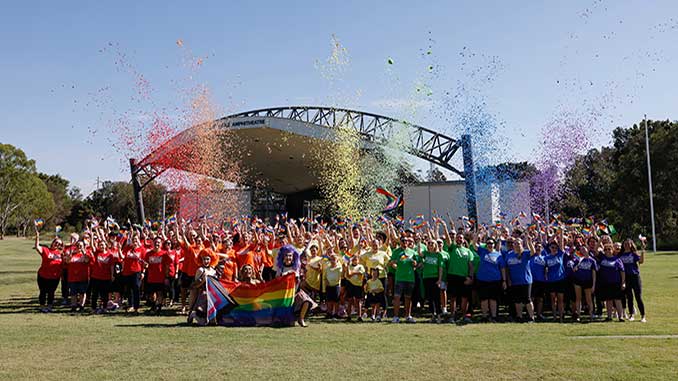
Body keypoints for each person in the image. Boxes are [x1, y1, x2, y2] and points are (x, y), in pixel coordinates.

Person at [276, 244, 317, 327]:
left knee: (306, 301)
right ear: (283, 257)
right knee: (289, 323)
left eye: (290, 256)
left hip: (296, 291)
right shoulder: (280, 268)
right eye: (286, 255)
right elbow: (276, 281)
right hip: (284, 294)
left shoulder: (296, 267)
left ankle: (301, 319)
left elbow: (299, 280)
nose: (288, 258)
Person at [443, 232, 474, 324]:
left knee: (465, 298)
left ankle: (464, 316)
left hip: (464, 277)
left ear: (463, 240)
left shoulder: (468, 251)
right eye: (458, 238)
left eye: (461, 238)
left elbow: (471, 266)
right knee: (453, 298)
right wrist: (445, 226)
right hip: (453, 276)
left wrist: (470, 277)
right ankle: (452, 316)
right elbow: (448, 239)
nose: (459, 239)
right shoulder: (452, 248)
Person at [505, 234, 537, 322]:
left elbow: (533, 252)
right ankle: (519, 317)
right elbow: (507, 268)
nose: (516, 245)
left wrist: (530, 242)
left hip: (526, 280)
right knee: (517, 300)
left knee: (527, 299)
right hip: (515, 281)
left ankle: (531, 317)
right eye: (515, 243)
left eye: (518, 243)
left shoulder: (525, 253)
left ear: (522, 244)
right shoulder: (509, 254)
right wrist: (508, 280)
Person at [474, 238, 507, 322]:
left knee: (493, 299)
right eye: (488, 243)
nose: (490, 244)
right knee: (484, 299)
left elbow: (502, 268)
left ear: (494, 244)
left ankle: (494, 316)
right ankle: (484, 316)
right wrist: (476, 234)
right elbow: (474, 244)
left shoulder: (498, 255)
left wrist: (504, 280)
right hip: (482, 280)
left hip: (495, 280)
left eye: (492, 243)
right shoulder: (482, 251)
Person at [389, 236, 418, 323]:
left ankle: (408, 316)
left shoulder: (412, 252)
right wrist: (395, 265)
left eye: (406, 241)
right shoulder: (396, 252)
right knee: (397, 297)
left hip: (410, 278)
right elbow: (391, 262)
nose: (405, 242)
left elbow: (417, 263)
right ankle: (396, 316)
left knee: (408, 297)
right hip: (399, 278)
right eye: (403, 241)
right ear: (400, 242)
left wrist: (415, 263)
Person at [34, 230, 63, 312]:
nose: (57, 244)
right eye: (56, 242)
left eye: (59, 244)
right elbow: (37, 247)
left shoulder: (61, 253)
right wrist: (37, 236)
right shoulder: (46, 250)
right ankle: (42, 306)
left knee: (51, 292)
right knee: (43, 292)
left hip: (55, 277)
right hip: (43, 275)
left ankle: (49, 306)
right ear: (53, 242)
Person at [619, 238, 646, 322]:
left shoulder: (633, 254)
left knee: (638, 297)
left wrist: (642, 251)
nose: (626, 245)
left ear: (631, 245)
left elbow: (641, 261)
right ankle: (631, 315)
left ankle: (643, 316)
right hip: (625, 278)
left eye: (628, 244)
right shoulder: (620, 255)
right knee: (629, 297)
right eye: (625, 243)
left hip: (635, 277)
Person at [597, 244, 626, 322]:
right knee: (608, 300)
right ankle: (609, 317)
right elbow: (596, 249)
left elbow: (622, 272)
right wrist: (599, 240)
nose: (607, 251)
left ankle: (621, 317)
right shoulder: (602, 258)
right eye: (605, 249)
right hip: (606, 283)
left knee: (617, 300)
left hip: (615, 282)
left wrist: (623, 283)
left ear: (612, 250)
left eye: (609, 249)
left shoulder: (617, 259)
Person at [121, 235, 147, 314]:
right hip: (127, 272)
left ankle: (136, 307)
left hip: (137, 271)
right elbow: (122, 257)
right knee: (129, 290)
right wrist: (119, 249)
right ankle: (130, 305)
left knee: (136, 288)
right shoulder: (127, 248)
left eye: (136, 240)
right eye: (133, 240)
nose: (134, 241)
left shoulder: (141, 250)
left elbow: (144, 262)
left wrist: (143, 272)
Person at [90, 239, 117, 314]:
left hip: (106, 277)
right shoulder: (96, 253)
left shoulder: (110, 255)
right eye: (100, 245)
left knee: (104, 294)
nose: (101, 246)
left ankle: (104, 307)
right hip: (96, 276)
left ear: (106, 245)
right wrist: (92, 236)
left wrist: (112, 275)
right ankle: (93, 308)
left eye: (103, 244)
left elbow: (112, 266)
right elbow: (92, 246)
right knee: (95, 294)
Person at [418, 238, 443, 322]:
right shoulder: (426, 253)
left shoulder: (438, 255)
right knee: (430, 298)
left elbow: (440, 268)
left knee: (436, 298)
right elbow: (419, 253)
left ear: (435, 245)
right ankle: (433, 315)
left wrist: (439, 279)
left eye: (432, 243)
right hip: (426, 278)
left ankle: (439, 315)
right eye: (429, 243)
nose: (430, 245)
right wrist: (418, 243)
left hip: (435, 278)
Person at [544, 232, 566, 322]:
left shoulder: (560, 254)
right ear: (550, 248)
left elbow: (561, 243)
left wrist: (560, 232)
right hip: (551, 280)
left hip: (560, 279)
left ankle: (561, 317)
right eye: (552, 247)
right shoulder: (546, 257)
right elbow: (545, 268)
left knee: (560, 299)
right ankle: (554, 316)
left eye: (555, 248)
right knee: (553, 300)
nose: (554, 249)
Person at [65, 240, 93, 312]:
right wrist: (70, 255)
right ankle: (73, 306)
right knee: (73, 293)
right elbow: (67, 262)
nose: (79, 247)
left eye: (81, 246)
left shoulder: (87, 254)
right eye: (77, 245)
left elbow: (87, 260)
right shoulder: (72, 254)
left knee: (82, 293)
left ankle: (81, 306)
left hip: (83, 277)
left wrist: (83, 252)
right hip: (72, 277)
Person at [572, 246, 598, 321]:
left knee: (588, 299)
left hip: (588, 281)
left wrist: (593, 284)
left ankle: (591, 315)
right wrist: (576, 266)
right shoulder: (578, 260)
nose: (583, 250)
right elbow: (574, 269)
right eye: (581, 250)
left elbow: (594, 273)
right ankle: (578, 315)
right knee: (578, 298)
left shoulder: (592, 261)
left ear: (587, 249)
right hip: (578, 281)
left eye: (584, 249)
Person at [145, 237, 168, 314]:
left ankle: (159, 307)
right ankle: (153, 306)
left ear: (161, 244)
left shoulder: (164, 254)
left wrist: (167, 277)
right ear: (153, 243)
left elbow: (167, 266)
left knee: (160, 293)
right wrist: (145, 266)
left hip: (161, 277)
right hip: (151, 277)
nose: (157, 244)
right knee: (152, 294)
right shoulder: (148, 254)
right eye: (155, 242)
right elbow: (146, 264)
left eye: (158, 242)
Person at [345, 254, 365, 322]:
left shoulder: (360, 266)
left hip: (358, 285)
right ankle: (349, 316)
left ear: (358, 260)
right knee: (350, 301)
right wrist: (347, 266)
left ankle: (359, 316)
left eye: (356, 259)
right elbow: (348, 275)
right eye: (353, 259)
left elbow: (361, 273)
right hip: (350, 285)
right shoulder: (349, 266)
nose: (354, 261)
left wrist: (353, 273)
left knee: (358, 301)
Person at [323, 254, 342, 319]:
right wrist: (326, 282)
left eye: (334, 259)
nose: (333, 261)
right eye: (331, 259)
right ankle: (329, 313)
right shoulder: (327, 268)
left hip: (336, 285)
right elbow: (325, 277)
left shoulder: (339, 268)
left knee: (336, 301)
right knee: (329, 300)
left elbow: (342, 275)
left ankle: (336, 314)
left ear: (337, 260)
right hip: (329, 286)